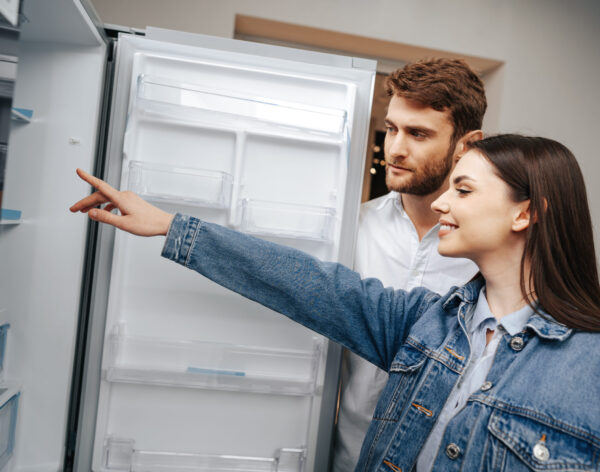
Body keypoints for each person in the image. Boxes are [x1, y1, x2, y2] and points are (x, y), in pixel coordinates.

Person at [70, 133, 600, 471]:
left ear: (525, 214)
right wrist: (171, 227)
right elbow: (308, 284)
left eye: (463, 190)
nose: (440, 201)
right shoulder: (427, 324)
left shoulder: (589, 366)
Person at [334, 58, 485, 471]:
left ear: (467, 145)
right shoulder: (353, 228)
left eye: (418, 133)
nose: (394, 148)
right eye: (392, 128)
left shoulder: (488, 252)